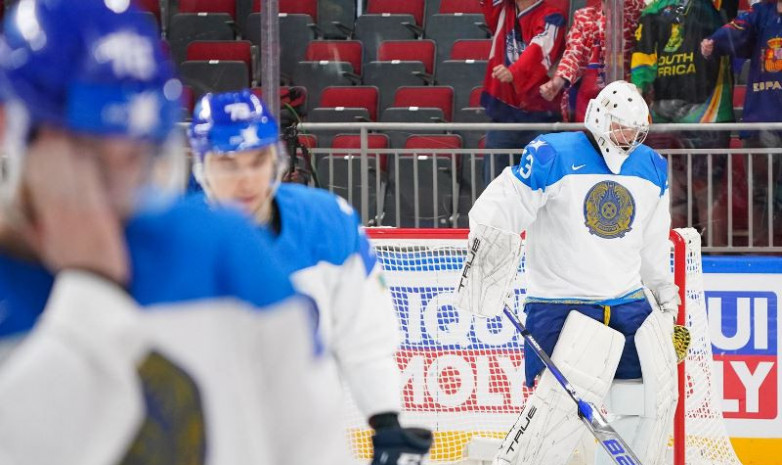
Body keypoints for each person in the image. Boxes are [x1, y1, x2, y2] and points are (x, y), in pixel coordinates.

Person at [0, 1, 338, 464]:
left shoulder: (222, 248)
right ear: (10, 128)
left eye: (138, 155)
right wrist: (93, 287)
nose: (121, 190)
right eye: (94, 154)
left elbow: (307, 440)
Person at [188, 90, 433, 465]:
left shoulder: (327, 223)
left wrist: (386, 423)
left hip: (313, 445)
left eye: (258, 161)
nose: (247, 180)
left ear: (277, 160)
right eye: (228, 164)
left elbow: (363, 336)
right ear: (202, 167)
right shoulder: (171, 241)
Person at [455, 80, 680, 465]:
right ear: (599, 117)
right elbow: (499, 209)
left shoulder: (651, 167)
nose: (628, 138)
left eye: (635, 131)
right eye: (621, 127)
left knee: (650, 401)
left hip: (628, 304)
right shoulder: (552, 154)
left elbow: (653, 241)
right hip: (560, 305)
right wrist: (487, 265)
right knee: (554, 420)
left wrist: (662, 289)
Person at [632, 0, 734, 245]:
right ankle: (675, 259)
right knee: (672, 192)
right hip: (663, 112)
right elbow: (643, 62)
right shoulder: (653, 11)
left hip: (708, 112)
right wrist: (638, 93)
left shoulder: (713, 3)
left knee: (707, 190)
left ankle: (719, 261)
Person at [701, 0, 782, 245]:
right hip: (761, 120)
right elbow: (737, 31)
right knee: (761, 196)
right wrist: (715, 41)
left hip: (765, 121)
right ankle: (762, 255)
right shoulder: (761, 13)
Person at [480, 0, 567, 185]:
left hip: (542, 118)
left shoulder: (553, 16)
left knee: (545, 188)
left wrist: (514, 71)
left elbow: (540, 48)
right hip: (504, 116)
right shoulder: (503, 10)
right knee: (494, 190)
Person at [539, 0, 645, 122]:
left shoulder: (637, 13)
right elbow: (573, 53)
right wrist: (557, 81)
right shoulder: (585, 17)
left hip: (628, 101)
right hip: (590, 103)